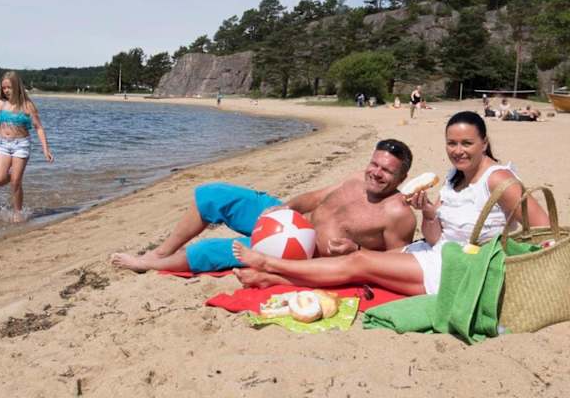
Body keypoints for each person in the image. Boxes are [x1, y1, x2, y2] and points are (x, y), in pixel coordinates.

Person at [232, 111, 549, 296]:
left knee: (359, 263)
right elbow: (436, 237)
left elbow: (544, 230)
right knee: (362, 264)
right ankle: (276, 278)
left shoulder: (498, 179)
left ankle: (270, 266)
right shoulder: (454, 177)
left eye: (467, 143)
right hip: (435, 252)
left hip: (460, 268)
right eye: (452, 143)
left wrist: (508, 269)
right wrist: (428, 213)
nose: (458, 150)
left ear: (484, 142)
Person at [111, 139, 417, 273]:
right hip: (291, 220)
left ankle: (149, 264)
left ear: (402, 178)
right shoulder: (355, 179)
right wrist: (285, 206)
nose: (376, 173)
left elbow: (397, 260)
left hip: (301, 250)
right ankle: (161, 252)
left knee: (211, 251)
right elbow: (312, 198)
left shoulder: (397, 213)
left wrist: (355, 251)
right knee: (213, 194)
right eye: (374, 164)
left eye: (386, 171)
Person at [0, 71, 54, 222]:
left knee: (16, 181)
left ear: (17, 86)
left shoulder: (27, 105)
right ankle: (14, 177)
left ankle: (18, 212)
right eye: (4, 88)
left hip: (21, 145)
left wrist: (46, 149)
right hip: (3, 144)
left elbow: (39, 128)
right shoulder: (0, 104)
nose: (6, 91)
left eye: (9, 87)